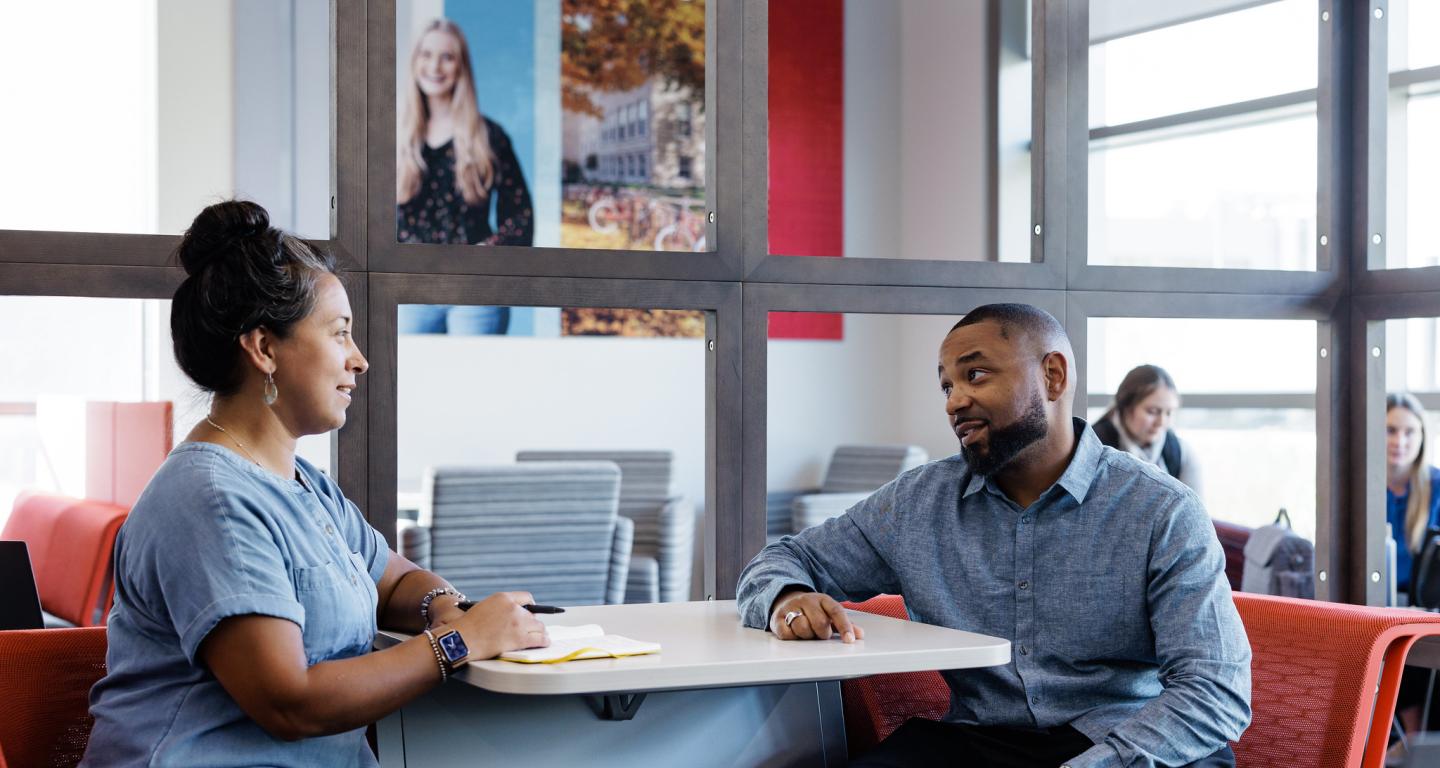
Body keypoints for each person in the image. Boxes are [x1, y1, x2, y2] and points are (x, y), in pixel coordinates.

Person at [79, 201, 548, 767]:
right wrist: (459, 641)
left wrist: (442, 605)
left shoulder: (304, 485)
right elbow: (289, 703)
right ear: (264, 348)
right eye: (340, 334)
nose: (360, 360)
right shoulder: (211, 501)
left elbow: (395, 581)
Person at [736, 303, 1250, 768]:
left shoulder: (1162, 509)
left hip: (1129, 742)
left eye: (975, 375)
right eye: (946, 386)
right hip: (980, 742)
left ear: (1052, 376)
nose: (954, 402)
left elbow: (1214, 690)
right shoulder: (918, 502)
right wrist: (788, 597)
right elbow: (783, 558)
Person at [397, 18, 533, 248]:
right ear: (415, 61)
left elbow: (521, 220)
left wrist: (481, 257)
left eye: (447, 57)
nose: (434, 66)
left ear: (461, 66)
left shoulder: (490, 136)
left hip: (468, 280)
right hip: (405, 280)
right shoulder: (394, 134)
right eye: (426, 54)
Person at [1093, 364, 1203, 498]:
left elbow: (1194, 515)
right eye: (1153, 411)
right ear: (1126, 408)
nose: (1161, 422)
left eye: (1168, 413)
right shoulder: (1094, 449)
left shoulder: (1180, 453)